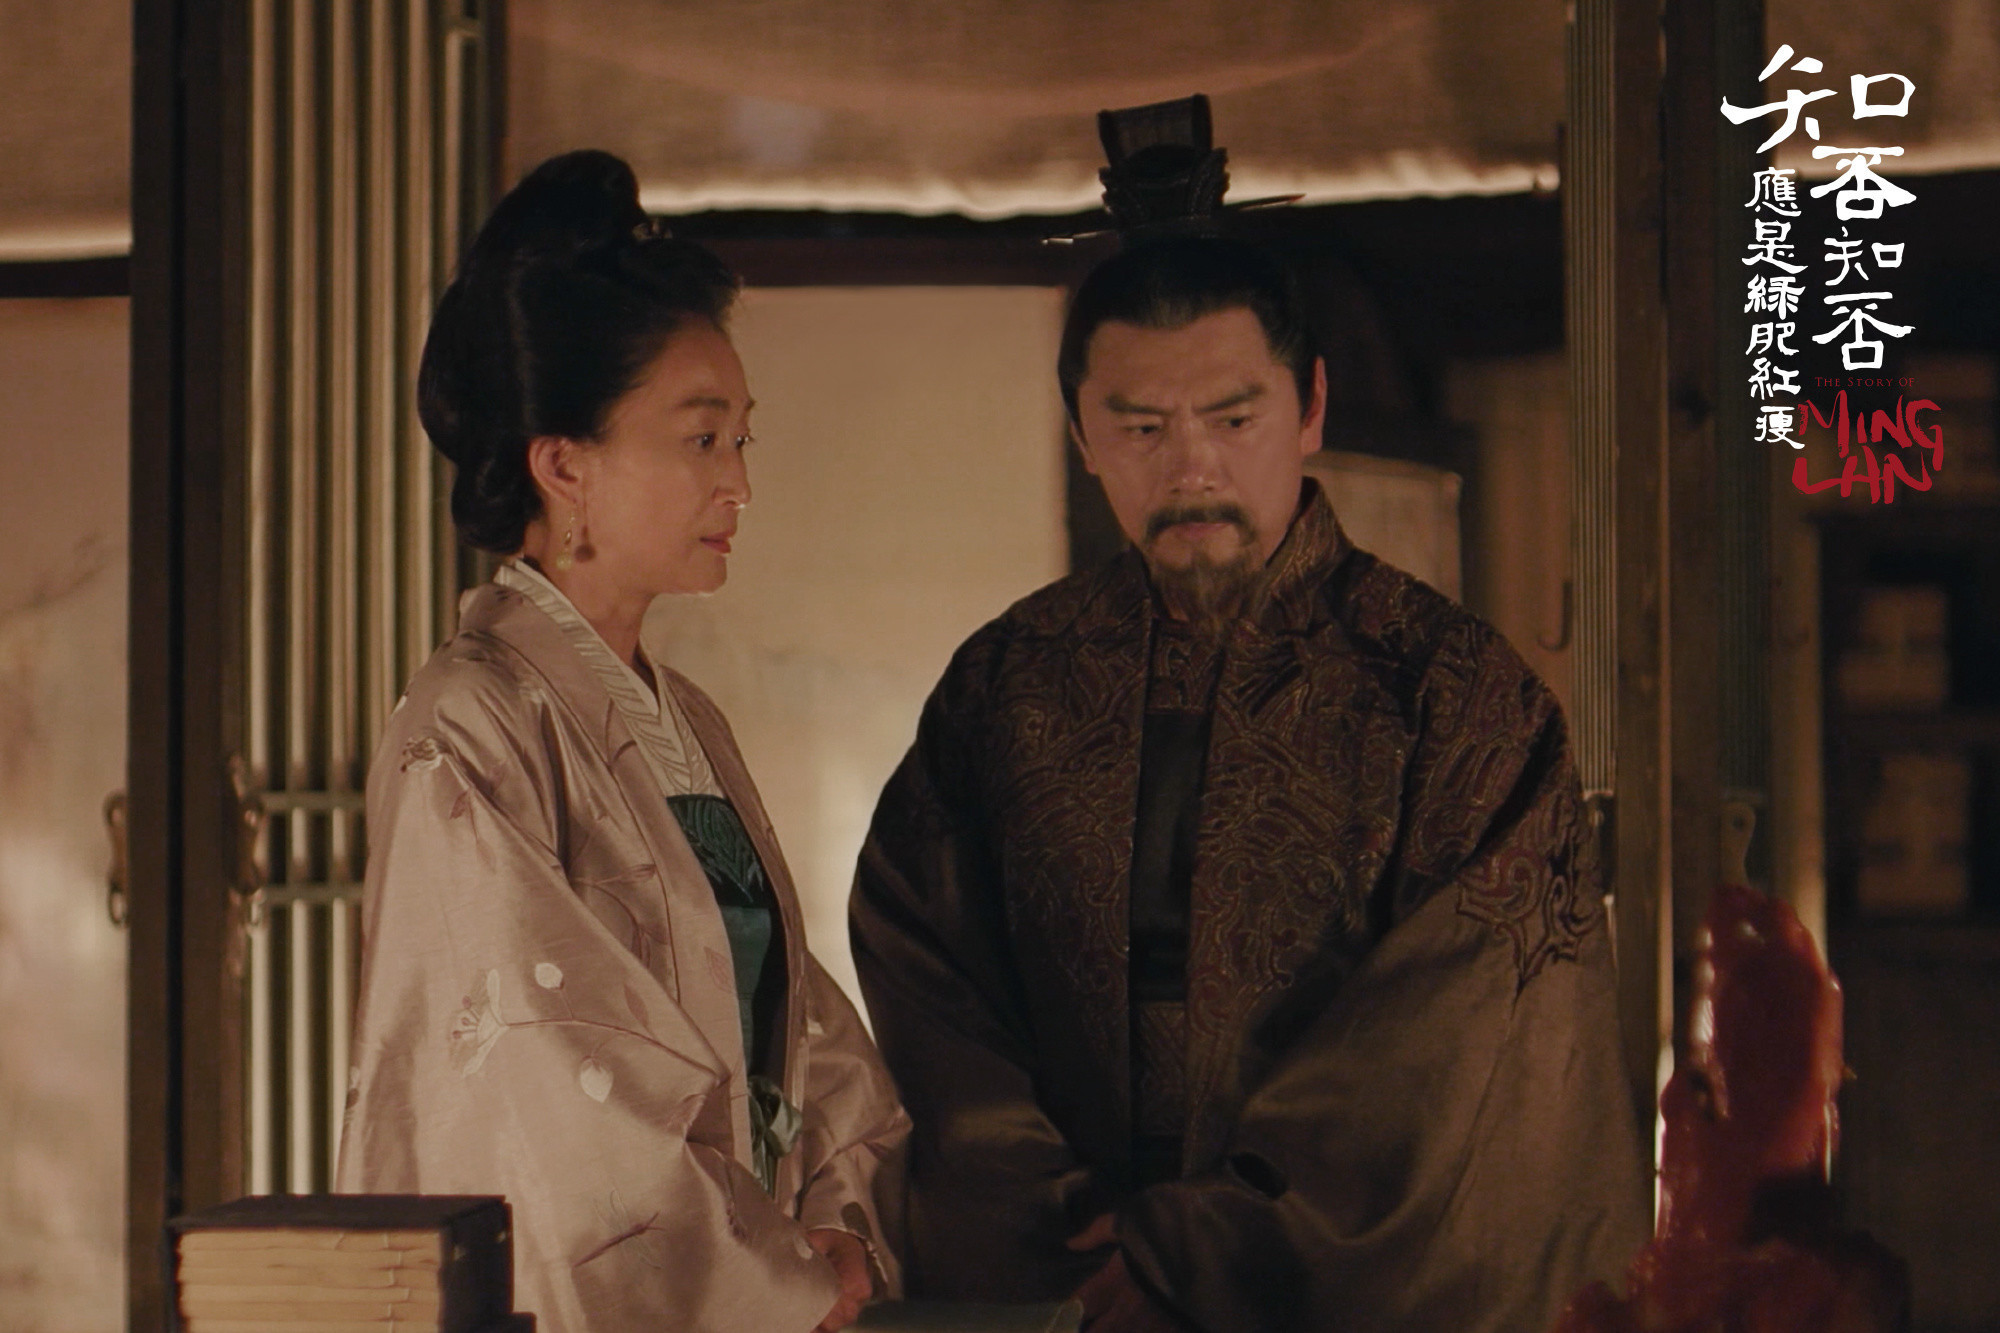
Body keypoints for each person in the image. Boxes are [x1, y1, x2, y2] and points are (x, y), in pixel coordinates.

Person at [849, 229, 1650, 1331]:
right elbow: (925, 972)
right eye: (1140, 427)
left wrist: (1199, 1248)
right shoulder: (1007, 683)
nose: (1191, 469)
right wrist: (1056, 1218)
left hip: (1332, 1290)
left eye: (1233, 419)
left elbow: (1462, 1044)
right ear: (1081, 432)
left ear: (1309, 406)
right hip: (1066, 1276)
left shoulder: (1454, 693)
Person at [337, 150, 908, 1333]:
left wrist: (838, 1224)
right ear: (564, 465)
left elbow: (795, 1020)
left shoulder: (684, 719)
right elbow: (546, 1090)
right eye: (702, 441)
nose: (737, 485)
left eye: (741, 440)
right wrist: (771, 1276)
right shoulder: (470, 724)